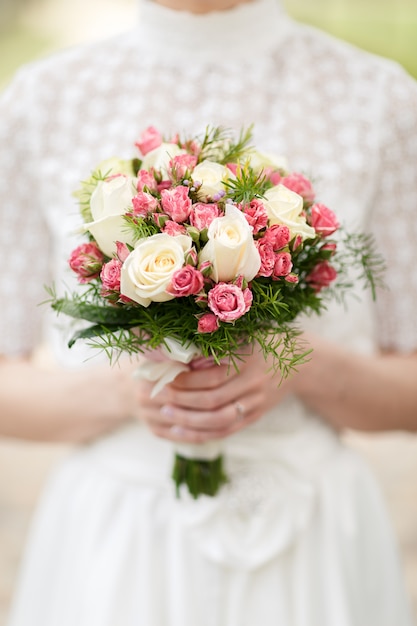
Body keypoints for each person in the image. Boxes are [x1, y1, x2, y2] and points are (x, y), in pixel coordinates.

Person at [1, 0, 417, 624]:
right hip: (116, 541)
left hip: (310, 529)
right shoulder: (44, 97)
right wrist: (132, 391)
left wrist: (298, 366)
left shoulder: (379, 96)